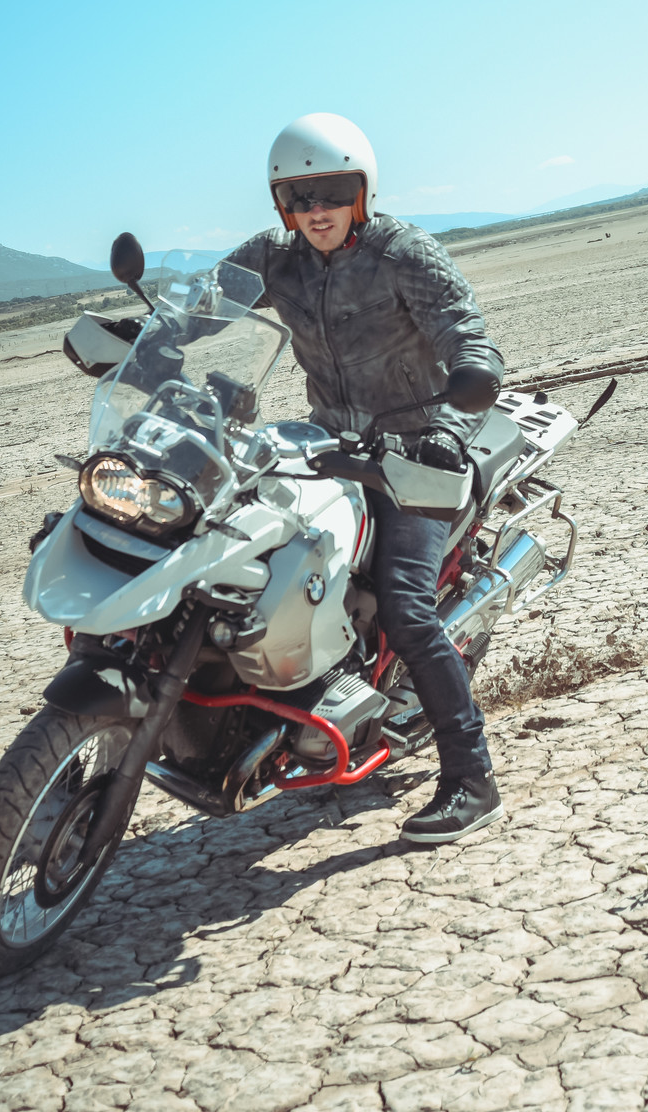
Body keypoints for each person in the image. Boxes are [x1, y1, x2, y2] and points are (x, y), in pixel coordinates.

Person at [226, 112, 505, 844]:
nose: (316, 210)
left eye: (331, 191)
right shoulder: (272, 257)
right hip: (331, 441)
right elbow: (204, 303)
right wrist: (145, 338)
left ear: (362, 190)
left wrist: (460, 402)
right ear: (281, 204)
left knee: (408, 606)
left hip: (423, 442)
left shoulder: (402, 251)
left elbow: (462, 331)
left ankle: (471, 778)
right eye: (299, 196)